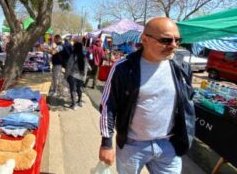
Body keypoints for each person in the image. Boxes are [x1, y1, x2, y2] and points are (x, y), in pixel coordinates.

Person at [98, 17, 195, 174]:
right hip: (132, 146)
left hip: (168, 145)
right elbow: (108, 106)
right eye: (166, 40)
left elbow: (187, 104)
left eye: (178, 40)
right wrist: (106, 143)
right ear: (144, 39)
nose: (174, 46)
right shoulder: (124, 68)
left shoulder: (181, 67)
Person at [65, 42, 89, 109]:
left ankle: (74, 104)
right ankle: (80, 101)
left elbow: (69, 66)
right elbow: (86, 68)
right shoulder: (84, 56)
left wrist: (66, 75)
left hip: (73, 75)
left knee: (73, 90)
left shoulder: (73, 56)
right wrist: (84, 77)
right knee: (79, 89)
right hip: (81, 76)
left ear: (75, 47)